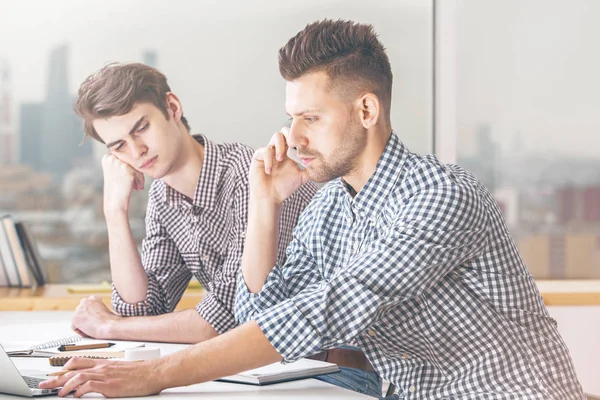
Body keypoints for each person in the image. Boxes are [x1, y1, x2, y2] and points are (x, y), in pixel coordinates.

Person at [41, 19, 585, 399]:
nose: (292, 136)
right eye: (290, 117)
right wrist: (267, 203)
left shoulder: (440, 196)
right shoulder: (327, 209)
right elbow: (255, 315)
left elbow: (324, 311)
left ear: (366, 109)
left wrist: (153, 375)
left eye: (312, 119)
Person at [67, 62, 317, 345]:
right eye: (119, 146)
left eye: (141, 128)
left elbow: (225, 320)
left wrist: (107, 327)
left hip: (329, 363)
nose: (137, 151)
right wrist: (114, 211)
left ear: (172, 108)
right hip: (271, 364)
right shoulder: (162, 198)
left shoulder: (251, 176)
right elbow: (143, 311)